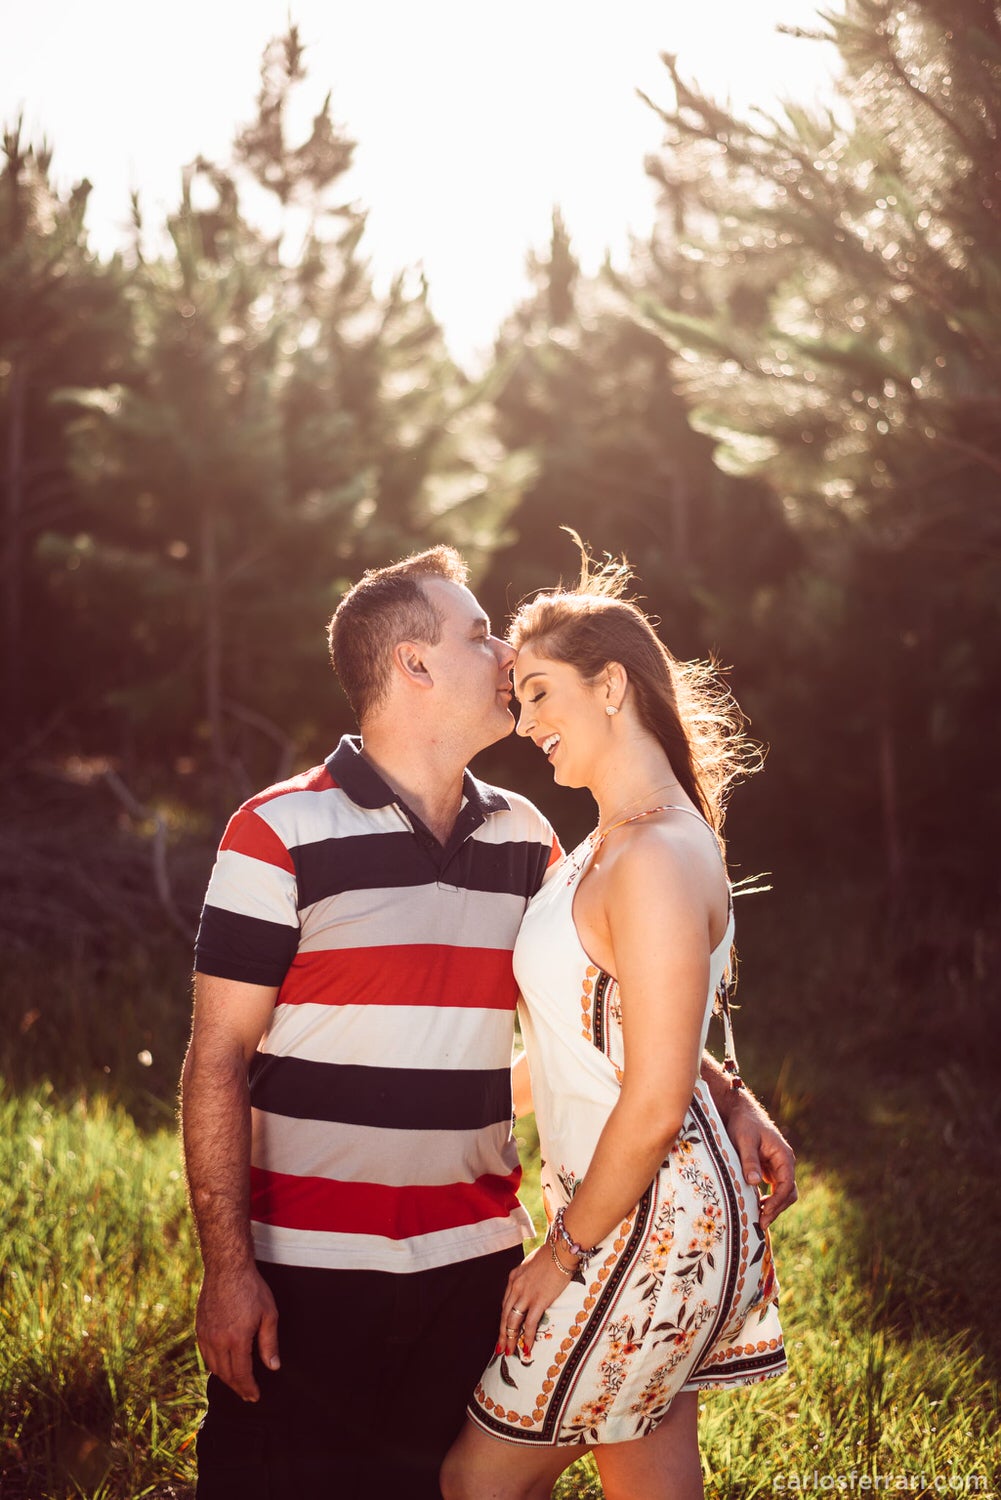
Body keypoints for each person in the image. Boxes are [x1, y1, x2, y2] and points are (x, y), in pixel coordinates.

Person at [181, 544, 796, 1500]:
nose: (507, 653)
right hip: (309, 1268)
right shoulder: (274, 831)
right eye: (480, 635)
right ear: (413, 664)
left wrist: (729, 1097)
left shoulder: (526, 838)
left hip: (474, 1263)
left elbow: (606, 1006)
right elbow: (214, 1059)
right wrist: (228, 1270)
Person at [441, 551, 787, 1500]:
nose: (525, 723)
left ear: (611, 685)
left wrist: (560, 1254)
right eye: (518, 699)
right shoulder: (609, 842)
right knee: (644, 1470)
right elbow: (592, 1041)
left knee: (477, 1483)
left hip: (643, 1224)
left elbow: (655, 1100)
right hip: (623, 1206)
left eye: (540, 693)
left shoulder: (657, 856)